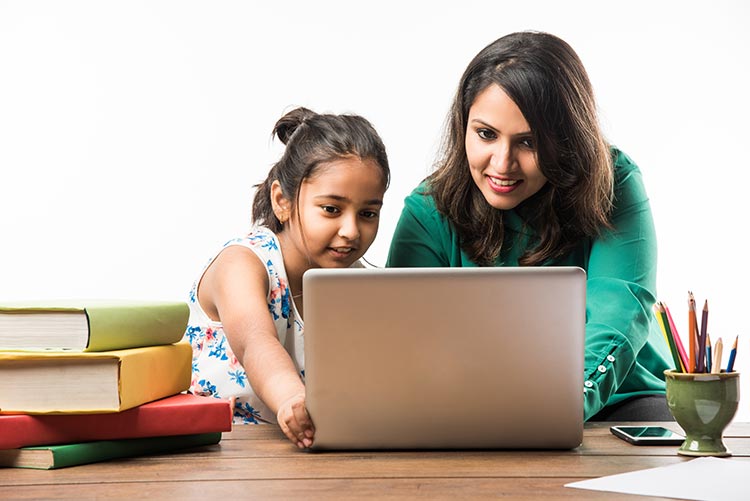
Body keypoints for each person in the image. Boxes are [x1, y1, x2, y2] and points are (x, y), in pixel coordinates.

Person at [386, 31, 673, 421]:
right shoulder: (427, 208)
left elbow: (617, 313)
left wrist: (557, 407)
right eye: (486, 134)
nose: (502, 163)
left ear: (567, 139)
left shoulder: (614, 181)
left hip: (620, 397)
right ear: (463, 126)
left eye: (529, 142)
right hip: (475, 405)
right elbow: (405, 338)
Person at [185, 107, 390, 448]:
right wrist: (292, 398)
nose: (352, 231)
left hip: (302, 452)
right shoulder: (243, 264)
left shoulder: (356, 281)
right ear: (282, 201)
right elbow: (255, 343)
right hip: (218, 450)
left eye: (368, 213)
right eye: (331, 209)